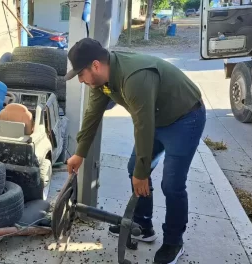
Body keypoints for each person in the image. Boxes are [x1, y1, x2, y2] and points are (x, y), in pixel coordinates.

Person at [65, 38, 206, 264]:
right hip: (157, 118)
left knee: (172, 183)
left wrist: (143, 171)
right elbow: (92, 117)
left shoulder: (134, 77)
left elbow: (143, 125)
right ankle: (142, 225)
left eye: (80, 74)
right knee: (135, 169)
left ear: (95, 65)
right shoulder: (101, 82)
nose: (80, 80)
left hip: (185, 117)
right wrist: (79, 153)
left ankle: (173, 241)